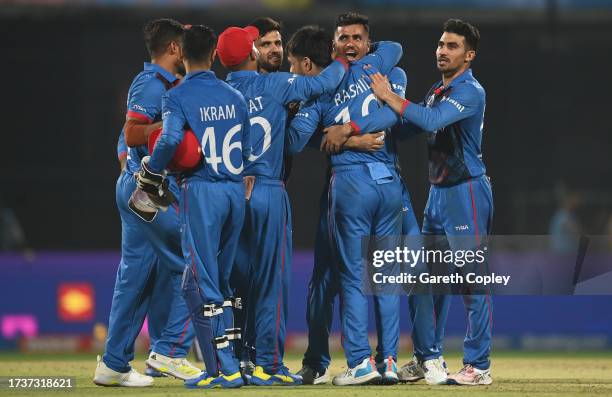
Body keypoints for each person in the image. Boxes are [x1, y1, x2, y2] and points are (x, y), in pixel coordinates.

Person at [218, 23, 348, 386]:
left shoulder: (217, 92)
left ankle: (237, 360)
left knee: (233, 282)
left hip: (227, 192)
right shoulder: (275, 85)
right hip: (267, 190)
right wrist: (342, 57)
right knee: (271, 281)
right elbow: (323, 83)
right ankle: (269, 364)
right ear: (252, 53)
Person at [367, 18, 493, 386]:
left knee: (471, 280)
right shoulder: (438, 91)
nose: (442, 50)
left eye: (452, 46)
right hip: (438, 193)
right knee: (424, 279)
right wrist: (371, 126)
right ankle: (427, 357)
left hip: (466, 191)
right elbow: (411, 125)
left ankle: (478, 365)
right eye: (440, 44)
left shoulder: (471, 91)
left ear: (469, 55)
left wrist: (391, 96)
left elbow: (433, 119)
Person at [287, 12, 407, 386]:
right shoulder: (386, 75)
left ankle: (360, 362)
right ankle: (385, 359)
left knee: (353, 276)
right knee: (382, 277)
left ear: (368, 42)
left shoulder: (327, 87)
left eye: (357, 38)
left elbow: (295, 140)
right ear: (334, 45)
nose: (350, 44)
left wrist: (345, 133)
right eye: (343, 39)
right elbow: (392, 117)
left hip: (354, 183)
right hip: (385, 183)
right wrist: (352, 136)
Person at [139, 24, 252, 389]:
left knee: (202, 282)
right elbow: (247, 149)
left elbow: (171, 139)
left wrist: (151, 170)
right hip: (235, 191)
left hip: (201, 191)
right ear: (215, 55)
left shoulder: (178, 95)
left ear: (183, 55)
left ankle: (225, 368)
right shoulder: (234, 95)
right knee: (219, 278)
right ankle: (227, 363)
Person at [94, 19, 198, 387]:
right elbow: (132, 131)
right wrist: (171, 125)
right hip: (147, 193)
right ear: (173, 48)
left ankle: (113, 364)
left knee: (135, 277)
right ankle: (170, 350)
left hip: (143, 190)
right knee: (192, 263)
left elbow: (126, 140)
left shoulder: (171, 84)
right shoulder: (151, 83)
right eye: (185, 43)